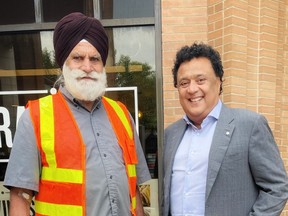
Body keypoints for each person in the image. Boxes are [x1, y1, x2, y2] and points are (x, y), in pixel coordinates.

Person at [4, 12, 151, 216]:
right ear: (64, 63)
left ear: (102, 65)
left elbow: (134, 192)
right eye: (78, 58)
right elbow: (20, 197)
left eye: (95, 59)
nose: (87, 67)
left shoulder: (122, 114)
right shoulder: (36, 117)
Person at [162, 42, 288, 216]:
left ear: (219, 81)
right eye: (184, 83)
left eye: (200, 80)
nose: (192, 89)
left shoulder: (250, 125)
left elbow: (277, 188)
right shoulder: (171, 134)